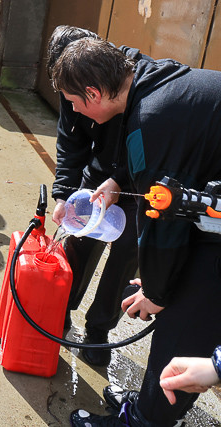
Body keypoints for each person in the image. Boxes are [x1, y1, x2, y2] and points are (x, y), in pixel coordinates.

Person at [51, 38, 221, 427]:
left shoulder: (153, 118)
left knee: (182, 319)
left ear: (94, 93)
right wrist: (117, 180)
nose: (74, 111)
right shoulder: (154, 79)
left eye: (75, 102)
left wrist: (156, 292)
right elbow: (178, 155)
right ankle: (148, 402)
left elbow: (162, 224)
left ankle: (144, 420)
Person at [45, 26, 141, 367]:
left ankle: (99, 332)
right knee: (78, 244)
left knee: (124, 260)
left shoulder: (131, 83)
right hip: (96, 177)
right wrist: (63, 195)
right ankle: (60, 312)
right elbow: (70, 143)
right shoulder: (71, 87)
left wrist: (120, 180)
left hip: (135, 186)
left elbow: (150, 152)